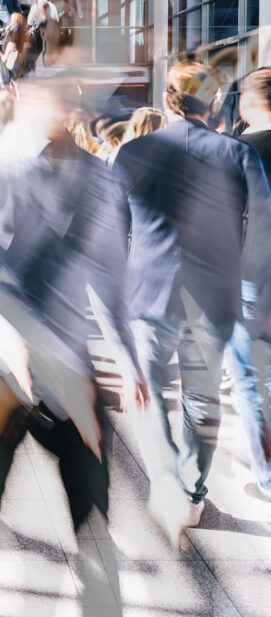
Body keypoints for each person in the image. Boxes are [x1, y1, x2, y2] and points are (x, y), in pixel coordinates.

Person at [0, 75, 146, 617]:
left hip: (69, 374)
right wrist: (11, 340)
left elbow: (111, 282)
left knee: (94, 513)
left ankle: (102, 607)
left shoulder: (98, 183)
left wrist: (126, 359)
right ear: (23, 94)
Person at [113, 61, 271, 542]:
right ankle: (194, 491)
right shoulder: (240, 155)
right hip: (213, 297)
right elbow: (263, 231)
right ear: (215, 102)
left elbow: (111, 233)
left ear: (169, 99)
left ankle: (166, 482)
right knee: (202, 401)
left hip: (149, 294)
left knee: (150, 392)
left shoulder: (132, 153)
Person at [228, 66, 271, 500]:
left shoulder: (240, 151)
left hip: (252, 279)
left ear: (249, 100)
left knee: (250, 381)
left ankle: (269, 476)